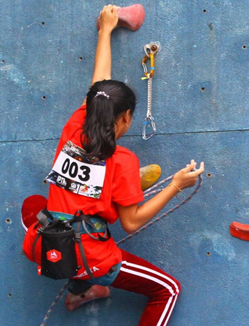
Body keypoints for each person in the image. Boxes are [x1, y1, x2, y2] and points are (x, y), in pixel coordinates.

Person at [38, 5, 204, 325]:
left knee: (64, 217)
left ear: (91, 107)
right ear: (127, 118)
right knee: (168, 290)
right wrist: (174, 186)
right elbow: (131, 222)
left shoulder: (74, 128)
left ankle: (83, 288)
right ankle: (88, 281)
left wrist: (105, 32)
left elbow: (99, 84)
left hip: (47, 244)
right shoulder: (123, 162)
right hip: (92, 257)